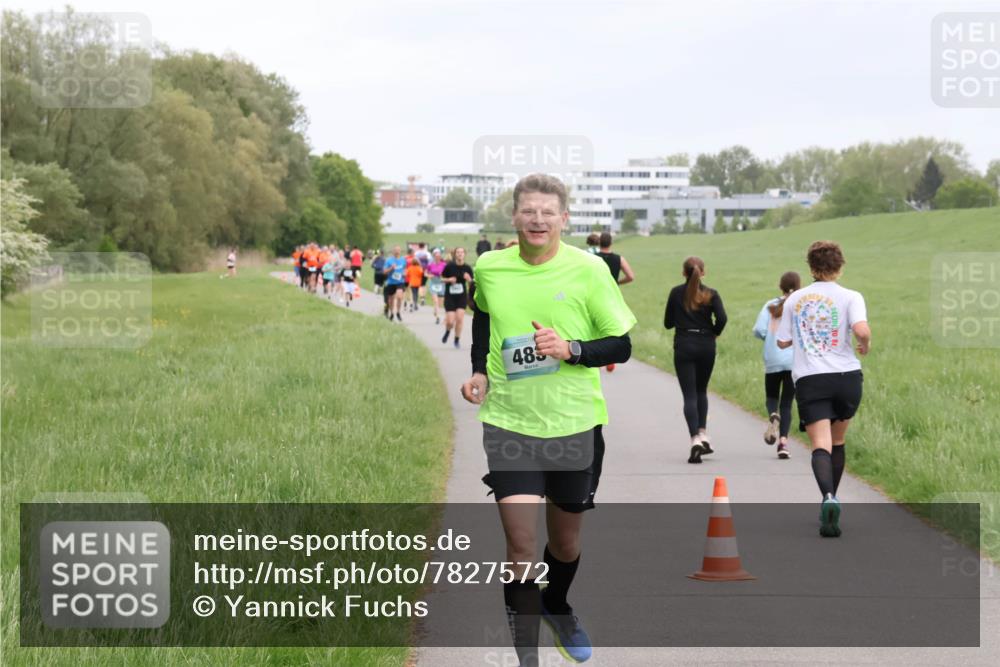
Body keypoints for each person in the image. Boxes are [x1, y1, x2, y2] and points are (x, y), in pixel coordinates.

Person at [461, 173, 636, 666]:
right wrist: (479, 370)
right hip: (509, 424)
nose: (537, 219)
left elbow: (621, 343)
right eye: (528, 211)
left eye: (547, 212)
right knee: (520, 546)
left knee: (564, 542)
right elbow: (483, 317)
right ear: (514, 217)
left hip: (574, 425)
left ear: (564, 218)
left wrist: (572, 349)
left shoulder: (588, 269)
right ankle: (527, 660)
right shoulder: (491, 268)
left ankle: (558, 606)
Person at [777, 241, 870, 538]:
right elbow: (861, 330)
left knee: (821, 445)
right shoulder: (852, 296)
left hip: (811, 379)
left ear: (811, 267)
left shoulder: (795, 299)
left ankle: (828, 496)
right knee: (838, 442)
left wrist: (802, 336)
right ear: (840, 266)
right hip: (847, 378)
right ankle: (832, 500)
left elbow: (782, 341)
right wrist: (864, 343)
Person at [663, 256, 727, 464]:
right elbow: (723, 318)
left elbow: (668, 323)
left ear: (684, 273)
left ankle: (695, 439)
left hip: (684, 344)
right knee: (702, 391)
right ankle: (703, 433)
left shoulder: (676, 293)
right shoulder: (711, 294)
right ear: (703, 272)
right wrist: (714, 332)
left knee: (689, 395)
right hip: (706, 344)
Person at [752, 271, 801, 459]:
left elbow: (758, 330)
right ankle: (783, 444)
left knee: (772, 396)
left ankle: (773, 414)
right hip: (793, 360)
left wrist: (769, 338)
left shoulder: (770, 305)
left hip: (773, 358)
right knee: (787, 403)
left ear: (780, 286)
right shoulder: (800, 305)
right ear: (799, 286)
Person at [595, 231, 634, 372]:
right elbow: (631, 276)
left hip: (596, 295)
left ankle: (597, 357)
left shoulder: (593, 258)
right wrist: (617, 282)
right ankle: (611, 360)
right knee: (612, 327)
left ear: (599, 243)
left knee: (596, 327)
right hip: (613, 297)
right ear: (611, 243)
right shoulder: (619, 259)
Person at [440, 247, 473, 348]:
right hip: (450, 297)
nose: (459, 254)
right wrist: (449, 280)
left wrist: (469, 279)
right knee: (450, 321)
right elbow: (441, 278)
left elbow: (472, 284)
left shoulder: (468, 268)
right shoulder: (449, 266)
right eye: (458, 252)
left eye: (461, 252)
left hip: (461, 297)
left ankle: (456, 340)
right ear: (455, 254)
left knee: (459, 319)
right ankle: (447, 330)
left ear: (464, 254)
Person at [382, 246, 407, 321]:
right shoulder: (389, 260)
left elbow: (405, 268)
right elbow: (384, 272)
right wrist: (391, 268)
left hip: (400, 282)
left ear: (400, 251)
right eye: (395, 250)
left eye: (398, 250)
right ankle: (392, 313)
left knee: (399, 296)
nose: (397, 252)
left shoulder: (403, 260)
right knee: (391, 299)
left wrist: (404, 273)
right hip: (391, 282)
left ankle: (398, 312)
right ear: (393, 251)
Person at [426, 248, 447, 325]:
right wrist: (429, 275)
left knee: (440, 303)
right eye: (436, 255)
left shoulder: (444, 264)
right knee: (435, 301)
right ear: (434, 256)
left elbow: (447, 273)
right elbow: (425, 273)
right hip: (433, 284)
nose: (438, 257)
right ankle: (438, 317)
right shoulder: (430, 264)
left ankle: (435, 311)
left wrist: (443, 275)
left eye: (439, 255)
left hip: (441, 284)